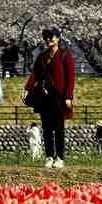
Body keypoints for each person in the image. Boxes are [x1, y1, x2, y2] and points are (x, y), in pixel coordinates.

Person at [26, 28, 76, 169]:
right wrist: (27, 89)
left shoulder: (65, 55)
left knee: (59, 128)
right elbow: (35, 74)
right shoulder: (42, 56)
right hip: (44, 96)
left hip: (59, 97)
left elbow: (70, 78)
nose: (48, 40)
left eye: (51, 37)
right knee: (47, 128)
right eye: (46, 37)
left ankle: (59, 157)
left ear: (58, 38)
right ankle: (49, 156)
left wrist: (68, 96)